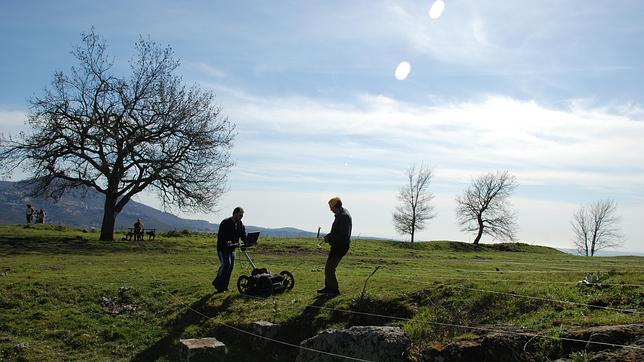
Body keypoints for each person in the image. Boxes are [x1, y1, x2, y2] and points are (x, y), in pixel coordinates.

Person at [318, 197, 352, 296]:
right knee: (328, 267)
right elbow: (336, 232)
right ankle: (328, 287)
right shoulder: (341, 214)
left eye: (331, 207)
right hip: (337, 245)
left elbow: (342, 235)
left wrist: (329, 239)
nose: (330, 210)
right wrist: (328, 236)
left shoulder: (343, 216)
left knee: (330, 268)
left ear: (336, 206)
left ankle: (334, 290)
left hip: (340, 247)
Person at [213, 207, 247, 293]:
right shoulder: (225, 222)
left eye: (242, 216)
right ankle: (218, 284)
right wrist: (226, 242)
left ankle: (225, 286)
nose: (241, 217)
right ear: (235, 213)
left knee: (230, 267)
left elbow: (243, 236)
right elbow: (221, 236)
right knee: (226, 265)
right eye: (240, 215)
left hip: (232, 249)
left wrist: (249, 241)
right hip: (223, 248)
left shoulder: (240, 225)